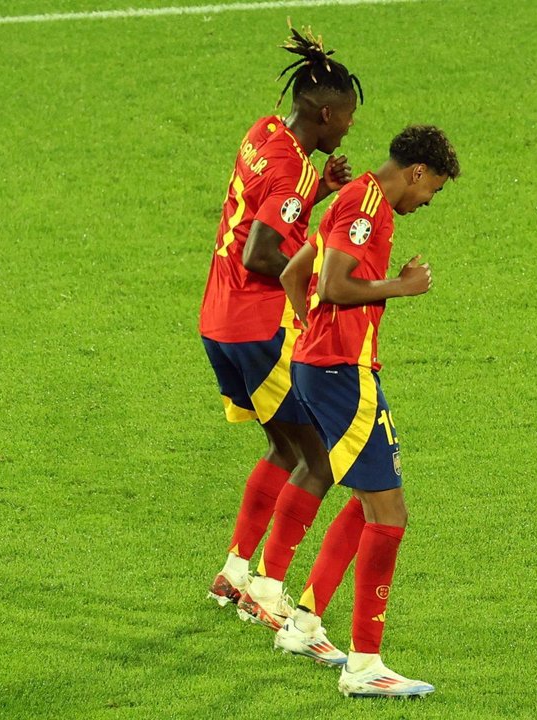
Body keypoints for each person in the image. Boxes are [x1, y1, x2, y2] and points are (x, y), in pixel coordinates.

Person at [272, 126, 461, 697]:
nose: (426, 203)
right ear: (417, 172)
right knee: (390, 512)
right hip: (341, 373)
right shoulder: (369, 206)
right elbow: (330, 286)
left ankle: (303, 623)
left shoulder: (354, 196)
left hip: (320, 367)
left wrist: (309, 341)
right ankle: (365, 665)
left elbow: (292, 275)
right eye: (433, 191)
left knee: (366, 500)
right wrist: (403, 288)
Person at [200, 24, 361, 618]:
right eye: (344, 118)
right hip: (257, 325)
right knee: (316, 459)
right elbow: (261, 253)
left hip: (218, 320)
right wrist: (319, 286)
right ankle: (264, 592)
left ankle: (234, 571)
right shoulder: (291, 169)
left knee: (281, 448)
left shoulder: (265, 133)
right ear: (323, 113)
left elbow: (269, 211)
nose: (348, 127)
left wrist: (319, 187)